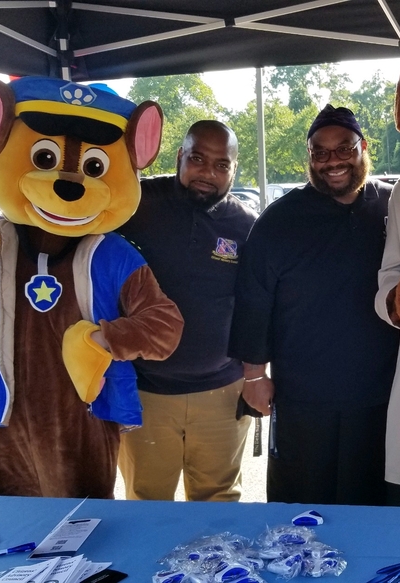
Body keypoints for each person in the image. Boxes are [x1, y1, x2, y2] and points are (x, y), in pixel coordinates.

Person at [229, 105, 399, 506]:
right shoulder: (278, 221)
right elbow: (254, 301)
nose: (332, 161)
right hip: (303, 397)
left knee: (378, 507)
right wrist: (254, 377)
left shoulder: (396, 207)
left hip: (386, 394)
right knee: (303, 511)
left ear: (364, 148)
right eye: (319, 152)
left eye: (344, 149)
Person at [116, 120, 257, 502]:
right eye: (197, 158)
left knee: (219, 501)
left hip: (223, 392)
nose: (208, 172)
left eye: (221, 164)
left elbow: (259, 305)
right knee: (146, 501)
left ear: (233, 169)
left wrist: (257, 377)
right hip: (145, 391)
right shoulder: (135, 204)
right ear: (180, 156)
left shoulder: (246, 227)